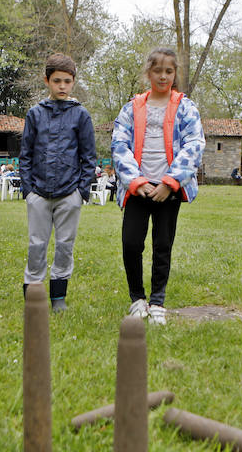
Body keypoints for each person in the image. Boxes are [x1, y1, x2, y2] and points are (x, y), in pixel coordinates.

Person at [112, 46, 205, 325]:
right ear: (148, 73)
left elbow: (194, 145)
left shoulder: (185, 108)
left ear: (175, 74)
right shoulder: (132, 108)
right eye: (157, 71)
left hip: (168, 191)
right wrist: (135, 181)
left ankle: (157, 302)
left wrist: (171, 181)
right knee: (131, 243)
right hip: (138, 188)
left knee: (162, 245)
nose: (163, 76)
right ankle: (137, 299)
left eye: (169, 71)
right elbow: (119, 145)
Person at [20, 53, 96, 312]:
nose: (62, 86)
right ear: (47, 81)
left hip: (69, 193)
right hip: (39, 192)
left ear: (73, 82)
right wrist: (29, 190)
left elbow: (89, 156)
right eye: (57, 81)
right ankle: (33, 294)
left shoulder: (81, 115)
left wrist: (80, 192)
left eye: (67, 81)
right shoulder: (35, 114)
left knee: (65, 245)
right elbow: (25, 154)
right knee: (36, 245)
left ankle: (58, 297)